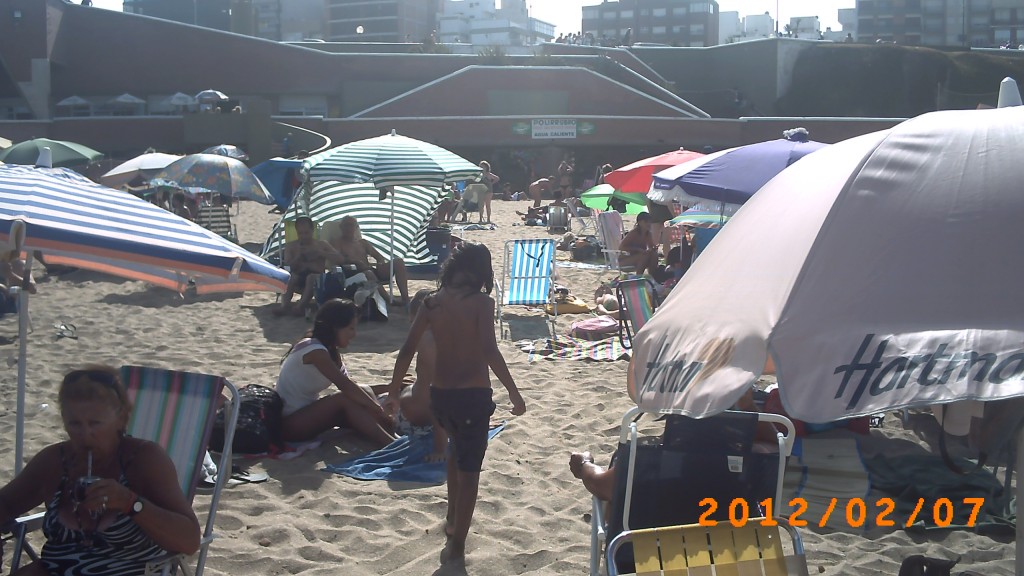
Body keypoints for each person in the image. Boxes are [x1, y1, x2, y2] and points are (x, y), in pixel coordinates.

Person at [385, 243, 526, 565]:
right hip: (472, 397)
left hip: (441, 398)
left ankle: (451, 517)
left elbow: (406, 350)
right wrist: (514, 393)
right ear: (481, 273)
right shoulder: (481, 303)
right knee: (470, 471)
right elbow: (490, 351)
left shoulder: (432, 303)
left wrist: (394, 391)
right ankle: (458, 544)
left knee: (453, 451)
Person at [0, 366, 201, 575]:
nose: (85, 434)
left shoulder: (144, 460)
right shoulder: (55, 461)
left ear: (121, 419)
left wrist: (130, 502)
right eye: (75, 424)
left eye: (95, 423)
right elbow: (6, 502)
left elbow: (189, 541)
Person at [570, 388, 776, 503]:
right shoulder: (752, 461)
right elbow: (775, 448)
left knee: (611, 502)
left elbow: (598, 483)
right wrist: (748, 405)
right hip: (734, 556)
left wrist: (584, 465)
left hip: (658, 557)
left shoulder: (647, 462)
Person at [276, 299, 397, 447]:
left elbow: (354, 388)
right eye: (351, 328)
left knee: (364, 391)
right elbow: (345, 386)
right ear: (335, 327)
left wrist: (390, 386)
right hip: (290, 424)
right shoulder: (314, 350)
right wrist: (378, 409)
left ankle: (391, 433)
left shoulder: (330, 350)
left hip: (308, 415)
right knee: (344, 399)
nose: (354, 334)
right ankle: (391, 443)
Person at [396, 290, 448, 461]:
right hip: (444, 412)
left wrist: (440, 448)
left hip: (416, 416)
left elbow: (438, 397)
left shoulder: (426, 340)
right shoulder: (453, 337)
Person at [329, 216, 410, 305]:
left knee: (399, 262)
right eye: (346, 225)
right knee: (368, 273)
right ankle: (389, 300)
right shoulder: (337, 242)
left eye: (351, 225)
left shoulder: (362, 243)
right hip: (351, 273)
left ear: (356, 228)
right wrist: (355, 262)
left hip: (369, 270)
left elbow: (379, 257)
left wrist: (380, 264)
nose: (349, 228)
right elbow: (337, 259)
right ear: (341, 227)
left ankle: (405, 299)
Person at [275, 216, 346, 317]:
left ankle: (300, 307)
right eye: (300, 233)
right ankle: (284, 306)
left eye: (306, 233)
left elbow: (340, 259)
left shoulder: (321, 245)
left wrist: (321, 253)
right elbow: (288, 265)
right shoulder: (291, 246)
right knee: (291, 277)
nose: (303, 236)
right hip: (298, 276)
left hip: (317, 279)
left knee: (311, 277)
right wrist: (298, 255)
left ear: (312, 231)